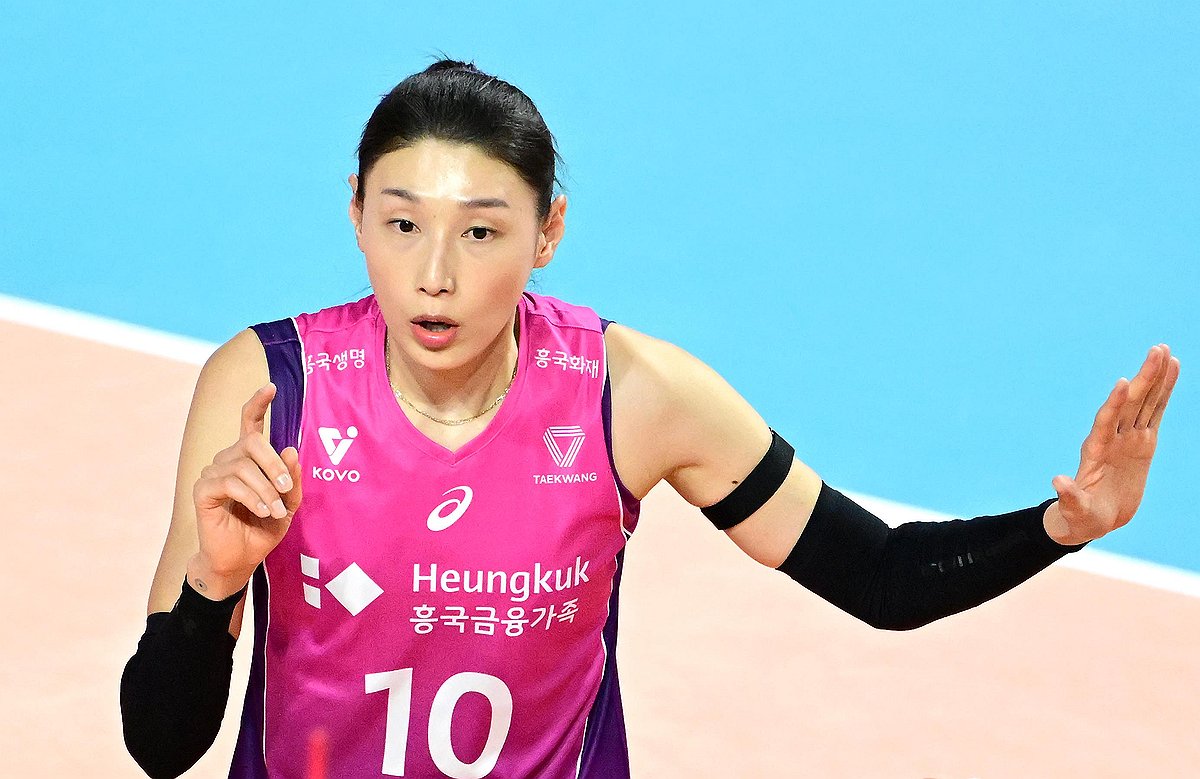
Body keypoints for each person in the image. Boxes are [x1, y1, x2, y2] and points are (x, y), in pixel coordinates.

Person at [120, 58, 1181, 779]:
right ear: (356, 211)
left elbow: (883, 578)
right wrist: (215, 582)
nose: (433, 275)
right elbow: (161, 746)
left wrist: (1065, 524)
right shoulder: (271, 390)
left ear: (549, 232)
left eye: (481, 232)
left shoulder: (631, 394)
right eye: (401, 224)